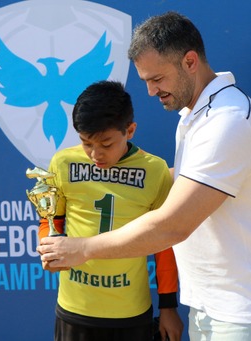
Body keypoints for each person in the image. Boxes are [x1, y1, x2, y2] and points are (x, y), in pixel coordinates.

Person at [37, 12, 251, 341]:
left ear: (190, 61)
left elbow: (172, 225)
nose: (151, 91)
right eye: (146, 81)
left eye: (157, 79)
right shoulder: (196, 115)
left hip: (249, 311)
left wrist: (83, 248)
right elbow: (195, 180)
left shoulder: (227, 121)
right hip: (216, 305)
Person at [36, 80, 183, 341]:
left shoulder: (155, 170)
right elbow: (51, 220)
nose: (95, 154)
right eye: (86, 143)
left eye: (106, 144)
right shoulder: (62, 162)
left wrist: (168, 306)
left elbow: (164, 245)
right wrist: (48, 245)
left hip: (131, 312)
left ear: (130, 130)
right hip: (75, 308)